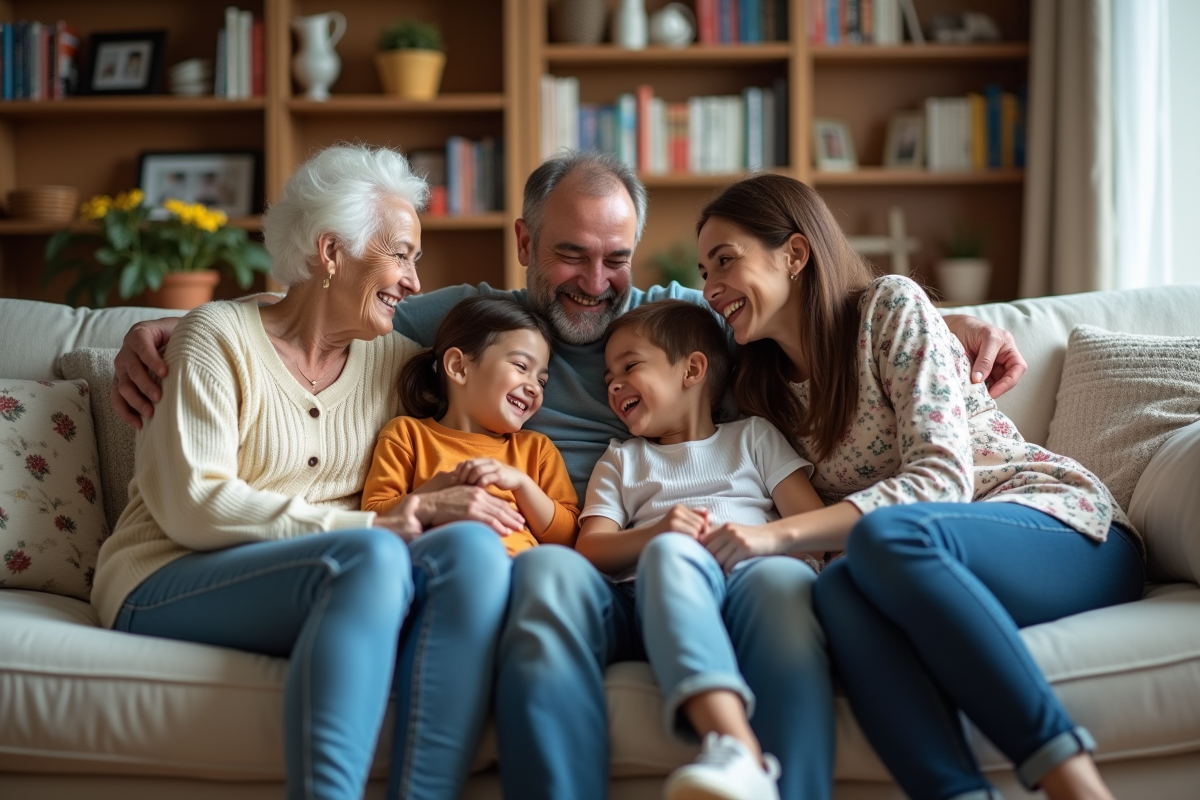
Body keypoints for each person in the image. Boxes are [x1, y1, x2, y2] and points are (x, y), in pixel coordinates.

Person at [108, 150, 1031, 800]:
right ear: (522, 241)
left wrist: (944, 323)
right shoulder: (463, 321)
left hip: (713, 556)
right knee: (537, 574)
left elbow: (799, 301)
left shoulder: (679, 319)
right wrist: (166, 325)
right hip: (575, 557)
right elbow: (331, 295)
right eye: (570, 254)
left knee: (787, 590)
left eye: (616, 258)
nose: (596, 281)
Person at [91, 144, 524, 800]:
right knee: (372, 556)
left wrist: (441, 498)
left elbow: (509, 343)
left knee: (473, 551)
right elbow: (194, 506)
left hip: (331, 571)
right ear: (330, 252)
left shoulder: (399, 364)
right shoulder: (214, 339)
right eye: (401, 255)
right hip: (166, 573)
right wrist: (374, 525)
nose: (414, 281)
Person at [693, 173, 1142, 800]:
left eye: (724, 261)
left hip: (1064, 529)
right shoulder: (760, 393)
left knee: (882, 542)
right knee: (841, 592)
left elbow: (941, 479)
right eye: (702, 272)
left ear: (794, 253)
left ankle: (1076, 784)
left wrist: (777, 536)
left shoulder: (888, 307)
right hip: (912, 562)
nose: (710, 288)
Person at [577, 299, 825, 800]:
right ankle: (731, 744)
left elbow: (812, 524)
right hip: (670, 591)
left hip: (757, 573)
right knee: (670, 554)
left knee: (782, 579)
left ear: (692, 369)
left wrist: (777, 552)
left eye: (630, 366)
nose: (614, 385)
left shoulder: (753, 436)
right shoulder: (622, 460)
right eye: (608, 378)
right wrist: (657, 532)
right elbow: (591, 550)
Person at [362, 294, 579, 557]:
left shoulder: (537, 450)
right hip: (446, 564)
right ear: (459, 367)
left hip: (524, 567)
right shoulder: (407, 435)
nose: (535, 388)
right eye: (521, 366)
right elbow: (374, 520)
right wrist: (441, 490)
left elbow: (570, 538)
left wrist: (522, 485)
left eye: (542, 381)